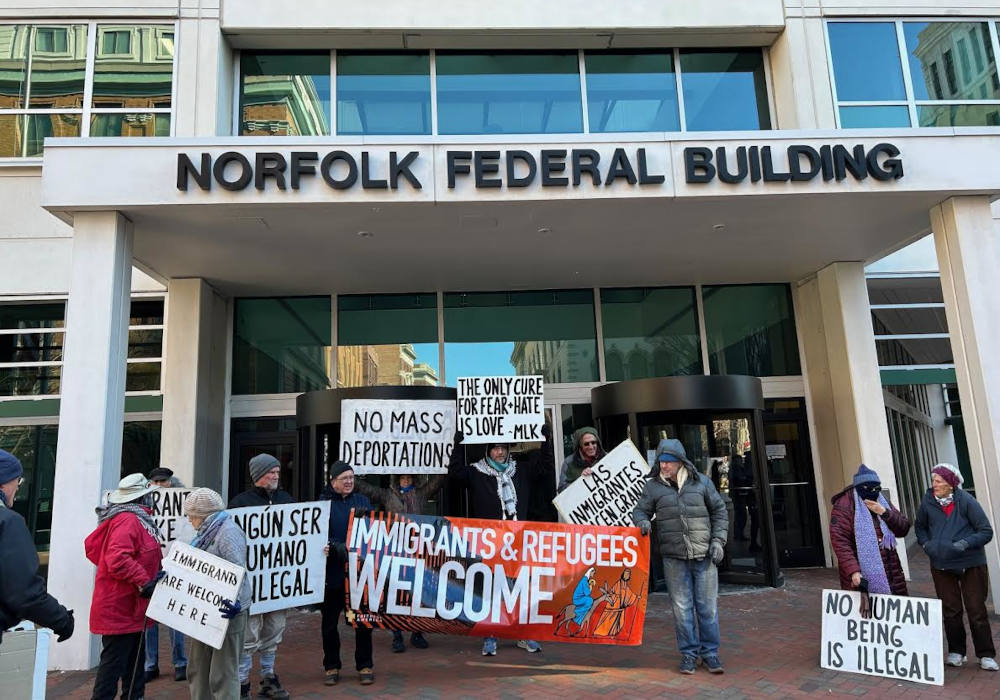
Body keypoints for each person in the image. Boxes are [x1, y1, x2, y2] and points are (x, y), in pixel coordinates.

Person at [448, 423, 553, 656]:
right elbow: (455, 473)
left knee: (518, 588)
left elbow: (544, 467)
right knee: (491, 589)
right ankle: (490, 634)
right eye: (495, 448)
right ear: (488, 451)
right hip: (490, 541)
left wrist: (546, 440)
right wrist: (456, 445)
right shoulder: (476, 472)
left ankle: (522, 634)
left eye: (502, 448)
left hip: (517, 541)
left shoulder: (520, 470)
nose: (499, 452)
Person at [632, 438, 728, 675]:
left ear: (680, 462)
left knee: (707, 608)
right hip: (674, 557)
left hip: (704, 555)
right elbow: (640, 510)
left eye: (669, 462)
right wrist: (642, 521)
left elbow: (720, 512)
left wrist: (718, 541)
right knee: (681, 608)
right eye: (661, 462)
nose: (664, 466)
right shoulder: (653, 487)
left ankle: (710, 654)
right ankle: (689, 654)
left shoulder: (702, 483)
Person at [85, 473, 164, 700]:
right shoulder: (128, 520)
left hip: (129, 607)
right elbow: (118, 558)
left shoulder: (130, 519)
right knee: (114, 667)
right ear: (142, 498)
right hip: (120, 607)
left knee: (132, 664)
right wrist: (144, 580)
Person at [915, 463, 997, 671]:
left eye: (939, 481)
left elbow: (985, 531)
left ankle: (985, 654)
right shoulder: (927, 502)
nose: (934, 484)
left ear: (951, 484)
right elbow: (920, 527)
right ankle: (956, 652)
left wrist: (964, 544)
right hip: (941, 564)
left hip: (971, 563)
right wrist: (927, 545)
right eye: (933, 480)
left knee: (976, 609)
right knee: (950, 610)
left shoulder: (967, 501)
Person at [354, 471, 444, 653]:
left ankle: (417, 633)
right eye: (403, 478)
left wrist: (445, 463)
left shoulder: (420, 494)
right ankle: (397, 635)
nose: (406, 481)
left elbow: (437, 482)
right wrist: (352, 474)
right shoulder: (387, 495)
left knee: (418, 593)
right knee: (395, 594)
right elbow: (366, 489)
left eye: (409, 478)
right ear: (397, 480)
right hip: (395, 550)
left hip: (417, 550)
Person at [229, 453, 294, 700]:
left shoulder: (286, 500)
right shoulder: (240, 504)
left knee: (275, 630)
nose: (276, 476)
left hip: (278, 584)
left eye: (278, 472)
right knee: (250, 634)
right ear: (258, 475)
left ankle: (268, 676)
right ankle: (242, 682)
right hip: (252, 584)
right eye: (271, 472)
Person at [183, 488, 254, 698]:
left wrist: (235, 602)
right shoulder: (208, 532)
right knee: (198, 668)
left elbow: (237, 569)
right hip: (207, 607)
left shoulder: (228, 533)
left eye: (191, 516)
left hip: (229, 611)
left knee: (222, 673)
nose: (189, 520)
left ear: (202, 515)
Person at [0, 449, 74, 646]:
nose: (17, 488)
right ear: (3, 482)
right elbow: (24, 593)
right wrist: (61, 619)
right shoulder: (8, 521)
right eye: (18, 481)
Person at [320, 460, 374, 686]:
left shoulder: (362, 501)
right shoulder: (322, 503)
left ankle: (365, 665)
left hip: (357, 572)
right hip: (331, 573)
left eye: (352, 478)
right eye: (344, 478)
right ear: (333, 481)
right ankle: (331, 666)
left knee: (362, 621)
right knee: (330, 624)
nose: (350, 482)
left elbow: (374, 532)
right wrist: (334, 546)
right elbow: (317, 534)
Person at [829, 464, 910, 597]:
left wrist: (884, 513)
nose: (874, 491)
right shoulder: (844, 506)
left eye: (877, 488)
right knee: (867, 613)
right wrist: (853, 571)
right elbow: (840, 542)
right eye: (869, 488)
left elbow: (903, 529)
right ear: (859, 487)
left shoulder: (882, 501)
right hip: (861, 575)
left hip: (892, 573)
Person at [144, 466, 188, 683]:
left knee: (175, 618)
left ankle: (180, 662)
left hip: (173, 566)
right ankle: (150, 664)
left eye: (165, 482)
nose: (161, 486)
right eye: (157, 482)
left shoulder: (182, 504)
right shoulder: (142, 507)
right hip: (150, 567)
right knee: (150, 619)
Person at [558, 427, 606, 492]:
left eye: (593, 442)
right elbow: (561, 489)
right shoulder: (569, 462)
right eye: (586, 444)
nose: (591, 447)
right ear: (580, 446)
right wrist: (580, 480)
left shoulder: (607, 457)